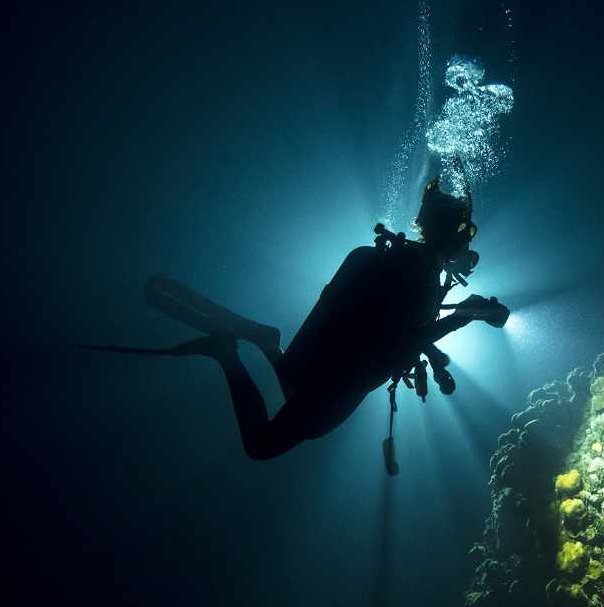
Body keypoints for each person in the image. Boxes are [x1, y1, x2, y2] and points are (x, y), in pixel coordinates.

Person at [79, 177, 508, 460]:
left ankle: (264, 342)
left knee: (286, 393)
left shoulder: (390, 260)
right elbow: (400, 344)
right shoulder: (419, 279)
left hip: (311, 361)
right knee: (262, 446)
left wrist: (463, 315)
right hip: (339, 383)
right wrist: (463, 317)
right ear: (454, 236)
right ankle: (227, 353)